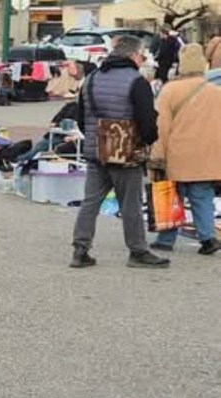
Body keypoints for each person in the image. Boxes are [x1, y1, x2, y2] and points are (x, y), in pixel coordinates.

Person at [70, 35, 168, 269]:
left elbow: (81, 117)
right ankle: (138, 251)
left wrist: (96, 138)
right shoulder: (136, 81)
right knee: (130, 204)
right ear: (133, 55)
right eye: (142, 55)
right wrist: (146, 141)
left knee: (90, 202)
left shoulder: (91, 79)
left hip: (95, 151)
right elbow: (147, 122)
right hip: (126, 153)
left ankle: (80, 250)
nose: (143, 59)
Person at [149, 44, 221, 255]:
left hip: (177, 154)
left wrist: (156, 155)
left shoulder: (170, 90)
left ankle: (166, 240)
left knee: (172, 195)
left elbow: (160, 126)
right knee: (202, 196)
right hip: (207, 154)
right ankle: (208, 238)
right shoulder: (216, 92)